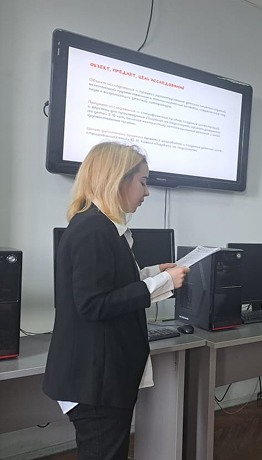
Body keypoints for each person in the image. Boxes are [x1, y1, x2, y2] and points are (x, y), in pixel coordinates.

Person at [43, 142, 190, 460]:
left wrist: (153, 272)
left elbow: (110, 284)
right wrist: (163, 282)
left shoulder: (101, 226)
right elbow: (93, 304)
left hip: (101, 376)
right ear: (118, 180)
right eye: (143, 181)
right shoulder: (94, 229)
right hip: (95, 380)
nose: (147, 192)